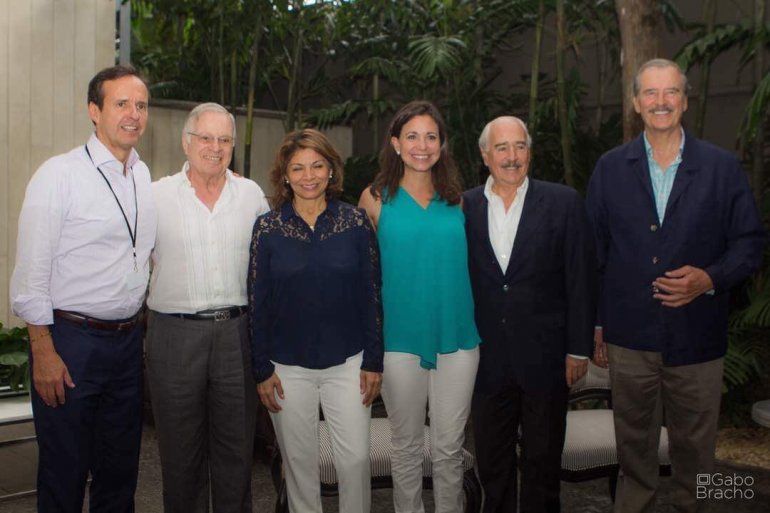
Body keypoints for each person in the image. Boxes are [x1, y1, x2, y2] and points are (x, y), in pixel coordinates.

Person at [586, 58, 765, 513]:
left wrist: (710, 278)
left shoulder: (722, 168)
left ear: (685, 100)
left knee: (698, 457)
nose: (660, 102)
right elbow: (594, 255)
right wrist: (598, 324)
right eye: (650, 93)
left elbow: (750, 243)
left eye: (670, 93)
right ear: (635, 103)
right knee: (634, 454)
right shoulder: (609, 169)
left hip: (698, 337)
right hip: (630, 339)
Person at [9, 65, 156, 513]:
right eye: (121, 104)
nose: (133, 114)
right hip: (72, 344)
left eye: (141, 105)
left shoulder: (142, 174)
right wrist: (44, 351)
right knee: (64, 472)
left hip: (127, 344)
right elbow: (31, 273)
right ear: (94, 111)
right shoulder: (59, 176)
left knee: (120, 473)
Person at [463, 116, 597, 513]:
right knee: (492, 462)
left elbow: (581, 279)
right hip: (485, 358)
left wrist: (578, 349)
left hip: (547, 357)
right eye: (502, 148)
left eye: (519, 146)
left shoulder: (564, 202)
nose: (511, 156)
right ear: (485, 155)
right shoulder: (462, 206)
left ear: (530, 152)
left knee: (543, 461)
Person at [249, 128, 383, 513]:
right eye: (298, 168)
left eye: (317, 165)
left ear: (330, 170)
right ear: (285, 175)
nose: (308, 175)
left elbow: (372, 295)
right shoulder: (268, 229)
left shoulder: (356, 224)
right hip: (286, 368)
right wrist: (261, 369)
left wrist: (374, 360)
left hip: (349, 363)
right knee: (300, 467)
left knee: (355, 461)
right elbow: (257, 302)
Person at [145, 102, 269, 513]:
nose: (215, 147)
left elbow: (268, 265)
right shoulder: (155, 196)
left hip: (237, 335)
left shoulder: (251, 195)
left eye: (224, 139)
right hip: (174, 336)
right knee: (181, 457)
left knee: (237, 454)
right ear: (186, 142)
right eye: (206, 138)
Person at [359, 100, 481, 513]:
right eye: (412, 136)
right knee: (407, 448)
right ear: (395, 143)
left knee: (450, 450)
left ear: (442, 144)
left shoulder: (458, 201)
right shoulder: (375, 199)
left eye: (431, 136)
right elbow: (361, 278)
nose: (422, 145)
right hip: (399, 342)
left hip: (458, 340)